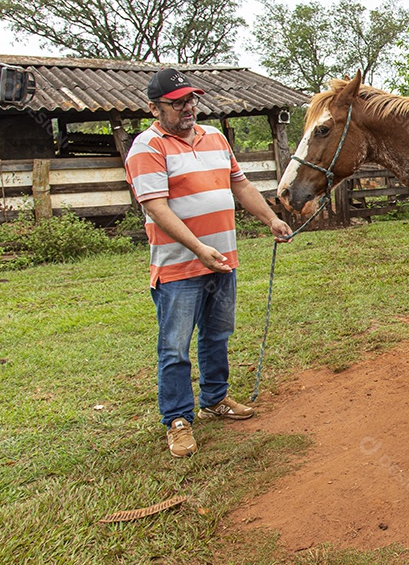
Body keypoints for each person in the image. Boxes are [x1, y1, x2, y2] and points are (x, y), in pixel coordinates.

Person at [125, 68, 293, 458]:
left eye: (191, 99)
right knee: (175, 347)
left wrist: (270, 218)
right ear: (154, 108)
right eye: (178, 102)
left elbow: (240, 185)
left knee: (218, 335)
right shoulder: (147, 147)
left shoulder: (214, 137)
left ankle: (216, 398)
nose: (188, 107)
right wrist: (198, 248)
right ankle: (178, 419)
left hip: (222, 260)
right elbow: (156, 208)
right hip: (180, 266)